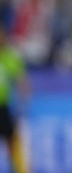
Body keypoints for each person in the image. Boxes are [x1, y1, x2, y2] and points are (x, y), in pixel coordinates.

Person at [0, 24, 28, 173]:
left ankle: (14, 168)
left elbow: (22, 81)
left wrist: (22, 104)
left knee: (10, 142)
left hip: (3, 107)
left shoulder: (10, 57)